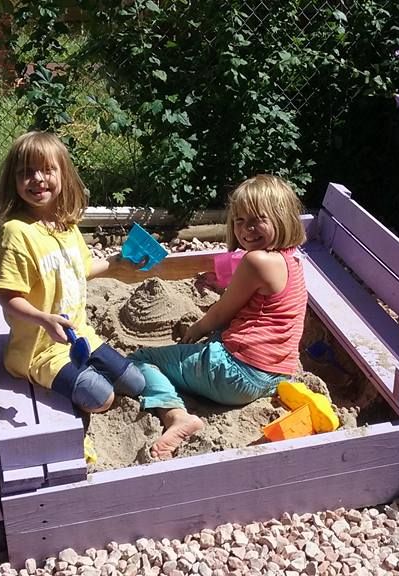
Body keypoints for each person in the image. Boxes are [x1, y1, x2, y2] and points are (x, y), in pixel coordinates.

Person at [131, 174, 308, 458]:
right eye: (239, 220)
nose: (246, 229)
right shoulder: (293, 259)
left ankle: (176, 416)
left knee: (141, 360)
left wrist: (197, 329)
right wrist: (227, 284)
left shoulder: (255, 260)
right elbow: (264, 300)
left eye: (257, 219)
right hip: (276, 374)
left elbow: (221, 312)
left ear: (281, 218)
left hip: (235, 375)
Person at [0, 131, 145, 413]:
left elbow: (79, 270)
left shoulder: (66, 225)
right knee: (101, 398)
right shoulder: (16, 233)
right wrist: (44, 319)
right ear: (13, 182)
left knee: (135, 382)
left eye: (48, 170)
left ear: (63, 175)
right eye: (26, 172)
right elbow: (8, 296)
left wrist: (115, 263)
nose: (38, 179)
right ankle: (61, 375)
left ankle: (86, 372)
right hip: (39, 349)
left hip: (79, 334)